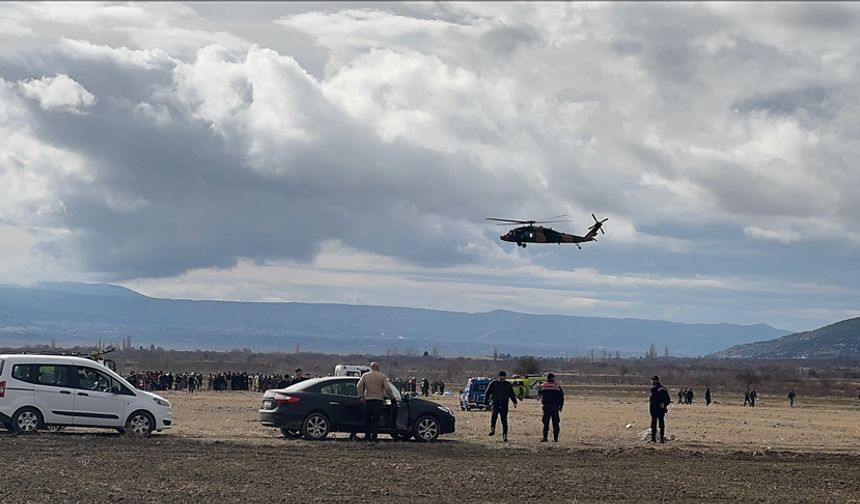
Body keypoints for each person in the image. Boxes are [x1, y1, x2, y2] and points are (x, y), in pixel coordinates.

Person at [356, 362, 395, 444]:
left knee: (367, 420)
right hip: (378, 400)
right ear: (378, 367)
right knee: (376, 420)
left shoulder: (365, 375)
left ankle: (367, 438)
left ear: (370, 367)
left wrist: (361, 396)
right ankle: (374, 438)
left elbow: (359, 385)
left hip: (368, 400)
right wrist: (392, 397)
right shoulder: (382, 376)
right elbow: (387, 388)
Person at [484, 370, 518, 442]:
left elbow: (511, 394)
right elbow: (487, 393)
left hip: (504, 405)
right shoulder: (493, 383)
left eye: (503, 377)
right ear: (498, 376)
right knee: (494, 416)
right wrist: (485, 403)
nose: (502, 378)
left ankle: (505, 436)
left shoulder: (508, 384)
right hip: (495, 404)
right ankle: (492, 429)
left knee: (504, 420)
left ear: (505, 377)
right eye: (501, 376)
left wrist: (514, 402)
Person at [537, 373, 564, 442]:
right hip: (555, 406)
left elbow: (539, 393)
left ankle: (545, 437)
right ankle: (555, 438)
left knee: (545, 422)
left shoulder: (543, 385)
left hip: (546, 406)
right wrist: (561, 406)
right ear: (553, 378)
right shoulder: (557, 386)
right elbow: (561, 397)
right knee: (555, 422)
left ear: (547, 378)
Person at [648, 375, 671, 444]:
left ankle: (653, 439)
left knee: (654, 424)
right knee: (661, 424)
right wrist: (663, 405)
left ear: (655, 380)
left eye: (652, 380)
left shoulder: (654, 389)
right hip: (662, 409)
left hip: (655, 409)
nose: (651, 381)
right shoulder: (664, 389)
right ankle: (662, 439)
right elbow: (668, 400)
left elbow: (653, 400)